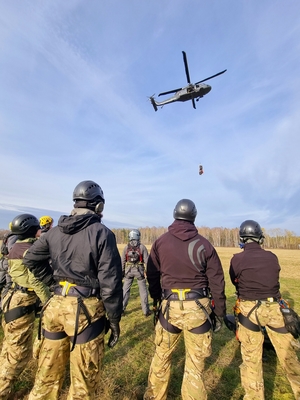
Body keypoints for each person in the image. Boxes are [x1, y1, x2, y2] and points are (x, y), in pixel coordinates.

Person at [23, 180, 123, 400]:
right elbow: (110, 281)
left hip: (54, 307)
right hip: (85, 311)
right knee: (83, 386)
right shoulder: (102, 233)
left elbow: (31, 259)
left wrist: (53, 284)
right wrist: (114, 319)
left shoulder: (54, 232)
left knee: (45, 379)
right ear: (98, 206)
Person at [144, 199, 227, 400]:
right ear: (194, 217)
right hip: (198, 308)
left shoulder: (160, 242)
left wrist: (157, 299)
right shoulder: (204, 244)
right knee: (195, 367)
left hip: (169, 307)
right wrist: (219, 313)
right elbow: (217, 281)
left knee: (161, 359)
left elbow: (152, 274)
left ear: (174, 215)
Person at [228, 219, 300, 400]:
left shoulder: (237, 259)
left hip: (249, 310)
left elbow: (234, 280)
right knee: (289, 358)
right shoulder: (272, 257)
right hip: (275, 308)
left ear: (242, 239)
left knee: (251, 361)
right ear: (260, 238)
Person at [0, 214, 51, 400]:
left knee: (9, 348)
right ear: (31, 230)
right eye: (38, 227)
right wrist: (48, 301)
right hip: (22, 301)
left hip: (11, 298)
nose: (40, 229)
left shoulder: (15, 247)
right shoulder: (29, 251)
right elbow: (35, 281)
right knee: (17, 356)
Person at [122, 229, 151, 317]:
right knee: (143, 291)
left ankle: (121, 309)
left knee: (125, 290)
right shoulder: (142, 247)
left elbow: (122, 261)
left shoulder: (126, 247)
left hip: (128, 271)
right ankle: (145, 311)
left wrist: (122, 272)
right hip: (139, 271)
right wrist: (148, 272)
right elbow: (147, 261)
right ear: (138, 236)